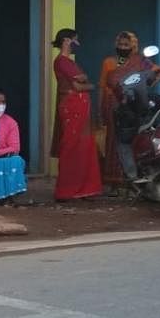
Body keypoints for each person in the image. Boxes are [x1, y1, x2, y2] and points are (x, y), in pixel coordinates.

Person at [98, 31, 160, 189]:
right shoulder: (109, 62)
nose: (122, 47)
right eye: (120, 44)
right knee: (113, 141)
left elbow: (159, 72)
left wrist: (147, 85)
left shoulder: (140, 61)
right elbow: (102, 86)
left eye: (126, 45)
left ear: (133, 46)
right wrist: (99, 110)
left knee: (133, 139)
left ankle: (133, 180)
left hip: (133, 104)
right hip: (112, 105)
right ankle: (114, 183)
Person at [51, 28, 102, 201]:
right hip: (72, 107)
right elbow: (80, 83)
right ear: (66, 41)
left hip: (78, 106)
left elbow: (81, 81)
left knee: (84, 145)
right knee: (71, 146)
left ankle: (84, 188)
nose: (77, 44)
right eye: (75, 40)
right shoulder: (62, 61)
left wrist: (84, 81)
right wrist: (90, 85)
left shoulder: (68, 62)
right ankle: (67, 189)